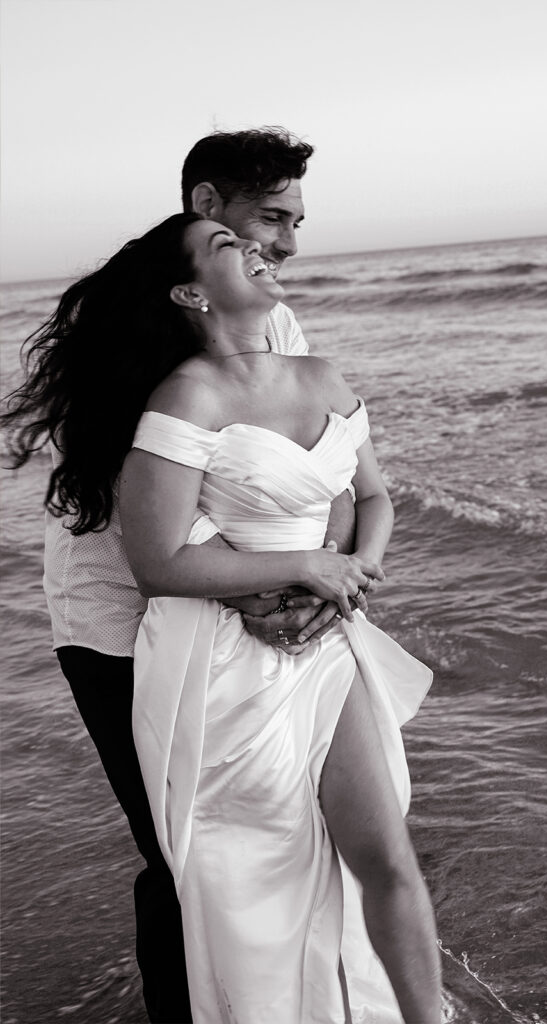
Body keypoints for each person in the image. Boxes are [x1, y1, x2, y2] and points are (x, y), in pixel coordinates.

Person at [2, 128, 353, 1023]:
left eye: (294, 221)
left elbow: (309, 460)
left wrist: (321, 578)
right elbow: (134, 504)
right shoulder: (141, 308)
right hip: (118, 614)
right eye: (271, 217)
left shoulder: (268, 317)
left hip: (238, 603)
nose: (287, 244)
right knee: (180, 849)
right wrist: (261, 584)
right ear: (206, 205)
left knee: (273, 831)